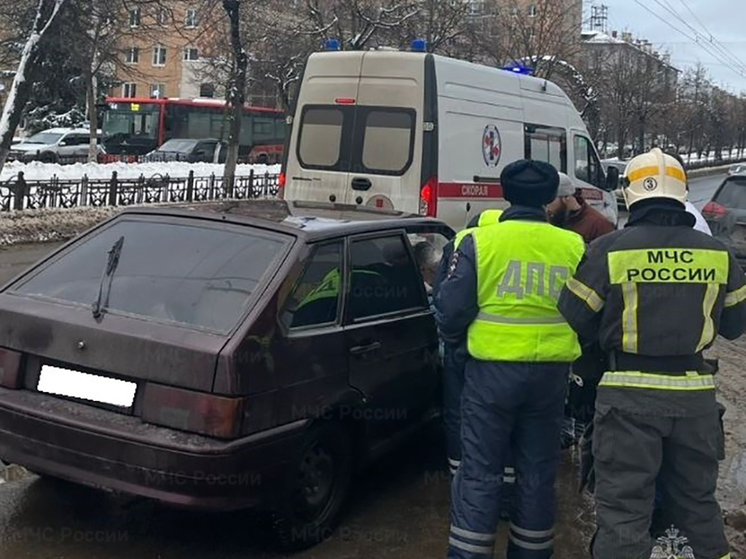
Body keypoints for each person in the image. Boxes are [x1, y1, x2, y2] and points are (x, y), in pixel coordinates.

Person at [558, 147, 746, 559]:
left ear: (629, 194)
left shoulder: (609, 248)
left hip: (626, 399)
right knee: (697, 506)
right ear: (681, 194)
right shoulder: (719, 253)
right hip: (695, 400)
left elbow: (574, 315)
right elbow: (734, 326)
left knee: (624, 512)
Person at [437, 160, 585, 558]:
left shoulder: (480, 242)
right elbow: (588, 312)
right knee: (537, 471)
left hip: (490, 374)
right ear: (549, 199)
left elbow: (450, 309)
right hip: (552, 377)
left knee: (480, 472)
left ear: (506, 194)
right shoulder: (573, 246)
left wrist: (457, 344)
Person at [433, 208, 503, 476]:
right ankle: (502, 481)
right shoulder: (507, 247)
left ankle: (460, 473)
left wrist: (450, 339)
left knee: (458, 413)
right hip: (502, 355)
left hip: (463, 349)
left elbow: (446, 298)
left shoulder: (462, 244)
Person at [546, 173, 616, 243]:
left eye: (550, 200)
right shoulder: (551, 218)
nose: (546, 205)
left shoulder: (598, 225)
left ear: (566, 197)